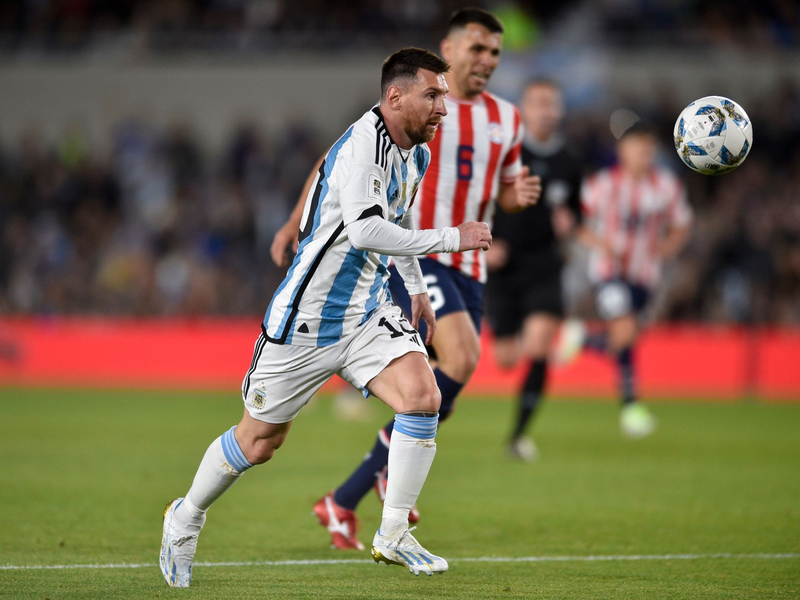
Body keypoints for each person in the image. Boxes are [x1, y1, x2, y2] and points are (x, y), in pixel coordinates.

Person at [159, 47, 495, 587]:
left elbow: (398, 217)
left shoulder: (416, 152)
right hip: (306, 321)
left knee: (423, 396)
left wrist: (414, 290)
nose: (442, 108)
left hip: (365, 314)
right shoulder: (364, 148)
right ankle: (185, 516)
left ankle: (391, 532)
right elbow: (364, 230)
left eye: (444, 97)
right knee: (260, 442)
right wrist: (455, 238)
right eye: (432, 95)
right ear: (395, 96)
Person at [272, 8, 541, 550]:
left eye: (495, 53)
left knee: (441, 390)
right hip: (417, 251)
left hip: (470, 265)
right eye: (477, 49)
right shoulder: (419, 107)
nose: (486, 61)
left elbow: (505, 188)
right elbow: (336, 161)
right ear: (450, 47)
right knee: (461, 358)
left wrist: (519, 196)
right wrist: (294, 217)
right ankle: (389, 471)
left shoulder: (508, 120)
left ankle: (346, 496)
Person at [557, 121, 693, 438]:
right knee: (625, 330)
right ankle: (631, 408)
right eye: (637, 146)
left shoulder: (666, 186)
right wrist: (600, 243)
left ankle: (584, 339)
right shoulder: (603, 184)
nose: (643, 152)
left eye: (648, 147)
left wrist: (669, 246)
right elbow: (573, 220)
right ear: (622, 150)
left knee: (623, 339)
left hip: (646, 276)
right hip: (609, 273)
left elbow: (682, 223)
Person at [484, 79, 584, 461]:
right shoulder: (503, 154)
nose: (546, 110)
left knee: (537, 345)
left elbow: (577, 214)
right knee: (507, 358)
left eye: (551, 103)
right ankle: (578, 343)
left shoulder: (571, 162)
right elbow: (477, 200)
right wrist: (487, 239)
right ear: (523, 108)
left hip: (545, 265)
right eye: (538, 103)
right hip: (505, 267)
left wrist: (569, 226)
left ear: (559, 110)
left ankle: (518, 436)